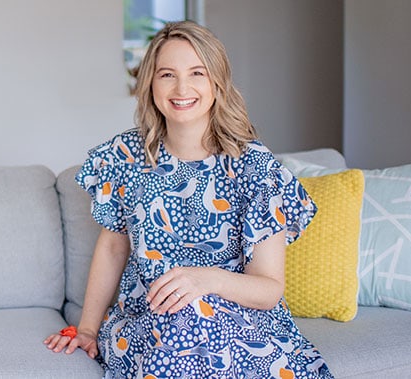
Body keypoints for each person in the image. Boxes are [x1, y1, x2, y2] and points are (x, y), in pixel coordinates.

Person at [44, 20, 333, 378]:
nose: (182, 87)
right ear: (150, 83)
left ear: (217, 82)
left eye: (197, 72)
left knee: (199, 322)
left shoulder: (256, 167)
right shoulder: (124, 156)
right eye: (167, 74)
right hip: (148, 319)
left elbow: (269, 289)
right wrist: (87, 330)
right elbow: (113, 249)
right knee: (185, 323)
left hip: (239, 319)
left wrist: (204, 280)